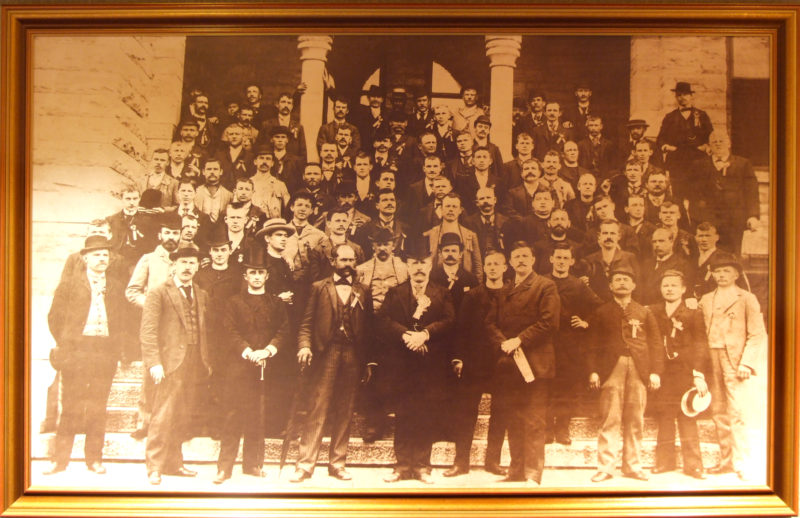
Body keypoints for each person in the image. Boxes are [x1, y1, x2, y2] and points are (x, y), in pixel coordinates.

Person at [290, 244, 374, 483]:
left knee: (345, 410)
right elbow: (306, 323)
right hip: (326, 352)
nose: (348, 264)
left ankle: (338, 463)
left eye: (352, 260)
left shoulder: (363, 290)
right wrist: (304, 346)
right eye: (344, 260)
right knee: (318, 407)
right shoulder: (318, 288)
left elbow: (369, 329)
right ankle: (305, 465)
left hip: (352, 355)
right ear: (333, 261)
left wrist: (368, 361)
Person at [43, 236, 126, 475]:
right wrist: (67, 344)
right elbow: (54, 318)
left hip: (104, 353)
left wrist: (116, 349)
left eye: (105, 255)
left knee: (99, 407)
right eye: (97, 254)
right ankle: (60, 460)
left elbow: (122, 321)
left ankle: (94, 459)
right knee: (70, 406)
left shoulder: (117, 286)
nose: (102, 259)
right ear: (85, 258)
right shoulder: (69, 285)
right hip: (76, 352)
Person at [378, 236, 455, 484]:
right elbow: (383, 321)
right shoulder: (395, 292)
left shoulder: (441, 293)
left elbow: (449, 321)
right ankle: (402, 465)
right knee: (403, 413)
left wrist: (425, 334)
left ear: (430, 265)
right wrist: (406, 335)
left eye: (423, 262)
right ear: (407, 265)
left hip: (429, 365)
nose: (419, 267)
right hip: (402, 364)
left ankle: (422, 465)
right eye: (414, 262)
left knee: (425, 412)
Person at [213, 247, 289, 483]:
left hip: (265, 365)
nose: (256, 277)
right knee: (232, 415)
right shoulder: (233, 302)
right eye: (252, 273)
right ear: (245, 276)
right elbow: (228, 331)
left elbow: (283, 330)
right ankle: (224, 467)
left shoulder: (276, 303)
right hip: (238, 366)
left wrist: (267, 350)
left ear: (267, 276)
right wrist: (247, 352)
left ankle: (253, 464)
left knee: (258, 415)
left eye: (261, 273)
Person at [486, 241, 560, 486]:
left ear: (533, 259)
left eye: (525, 256)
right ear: (510, 261)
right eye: (516, 257)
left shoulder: (545, 286)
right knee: (513, 419)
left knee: (535, 420)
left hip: (536, 364)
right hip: (510, 364)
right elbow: (489, 323)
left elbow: (549, 323)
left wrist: (519, 340)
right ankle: (515, 470)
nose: (520, 261)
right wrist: (504, 342)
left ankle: (532, 473)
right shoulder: (504, 290)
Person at [140, 243, 212, 485]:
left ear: (198, 267)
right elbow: (148, 332)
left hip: (194, 362)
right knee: (162, 415)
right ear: (173, 265)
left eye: (192, 263)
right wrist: (154, 363)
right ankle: (154, 467)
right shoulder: (159, 292)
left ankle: (174, 463)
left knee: (182, 415)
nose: (188, 267)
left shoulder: (201, 294)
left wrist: (206, 361)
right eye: (183, 262)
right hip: (169, 363)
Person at [588, 265, 663, 482]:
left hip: (640, 369)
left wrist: (655, 372)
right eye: (617, 279)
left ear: (634, 285)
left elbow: (656, 344)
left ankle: (633, 465)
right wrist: (593, 371)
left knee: (635, 419)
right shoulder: (601, 312)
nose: (622, 282)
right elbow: (592, 345)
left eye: (626, 279)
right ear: (610, 286)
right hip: (612, 368)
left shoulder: (644, 312)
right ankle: (606, 467)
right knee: (610, 418)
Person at [699, 252, 767, 480]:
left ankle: (743, 463)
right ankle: (726, 461)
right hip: (711, 357)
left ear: (737, 274)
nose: (721, 275)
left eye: (726, 271)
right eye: (717, 271)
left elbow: (757, 334)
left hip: (734, 360)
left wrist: (747, 362)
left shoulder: (747, 298)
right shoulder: (706, 299)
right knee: (718, 411)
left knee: (737, 412)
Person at [442, 249, 508, 477]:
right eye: (488, 264)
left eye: (496, 264)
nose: (492, 268)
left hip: (502, 362)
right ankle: (461, 463)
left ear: (504, 267)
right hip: (474, 362)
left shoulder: (511, 294)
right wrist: (459, 357)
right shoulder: (473, 296)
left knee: (500, 412)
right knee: (466, 412)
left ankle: (493, 461)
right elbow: (461, 329)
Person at [649, 270, 710, 480]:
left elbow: (701, 345)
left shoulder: (693, 313)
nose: (669, 289)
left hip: (686, 372)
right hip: (663, 373)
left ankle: (693, 465)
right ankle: (664, 462)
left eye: (674, 285)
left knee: (687, 415)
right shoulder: (653, 312)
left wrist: (698, 374)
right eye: (666, 285)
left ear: (684, 289)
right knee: (665, 416)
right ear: (660, 288)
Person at [544, 243, 603, 444]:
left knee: (565, 387)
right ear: (551, 259)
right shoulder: (542, 282)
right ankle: (546, 429)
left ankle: (562, 429)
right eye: (557, 257)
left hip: (569, 344)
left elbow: (600, 308)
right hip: (545, 342)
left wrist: (587, 322)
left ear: (571, 262)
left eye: (565, 258)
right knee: (545, 386)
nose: (561, 262)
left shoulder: (578, 285)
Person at [355, 227, 409, 443]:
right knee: (372, 374)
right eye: (378, 244)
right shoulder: (362, 269)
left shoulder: (404, 269)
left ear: (394, 245)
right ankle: (374, 422)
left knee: (394, 372)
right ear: (373, 246)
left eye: (387, 243)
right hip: (371, 325)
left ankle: (398, 420)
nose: (383, 248)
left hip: (395, 326)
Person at [693, 130, 761, 254]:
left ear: (729, 144)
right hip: (709, 219)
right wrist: (697, 216)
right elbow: (694, 193)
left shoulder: (743, 164)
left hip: (734, 220)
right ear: (709, 145)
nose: (718, 144)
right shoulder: (699, 165)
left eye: (721, 141)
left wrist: (753, 215)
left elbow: (751, 192)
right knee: (710, 254)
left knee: (733, 255)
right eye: (714, 142)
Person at [656, 81, 714, 200]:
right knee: (678, 194)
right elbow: (660, 139)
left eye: (685, 95)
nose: (682, 98)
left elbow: (711, 136)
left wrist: (706, 146)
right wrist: (667, 147)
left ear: (691, 96)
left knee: (698, 193)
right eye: (679, 95)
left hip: (698, 159)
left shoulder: (701, 115)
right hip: (677, 160)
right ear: (676, 97)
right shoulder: (670, 117)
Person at [424, 192, 483, 281]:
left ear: (460, 210)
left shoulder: (470, 235)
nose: (451, 209)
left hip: (463, 283)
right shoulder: (430, 234)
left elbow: (478, 265)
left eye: (454, 206)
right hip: (437, 283)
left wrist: (476, 288)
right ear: (441, 209)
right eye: (447, 206)